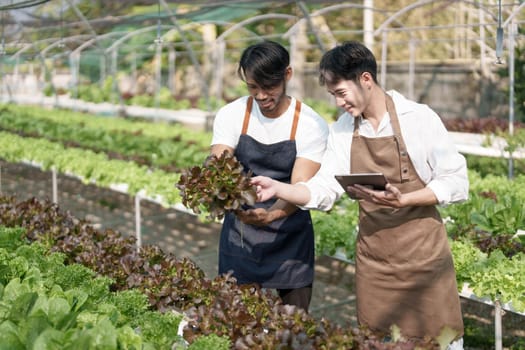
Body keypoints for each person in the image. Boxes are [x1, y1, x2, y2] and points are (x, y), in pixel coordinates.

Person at [251, 41, 468, 348]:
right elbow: (324, 188)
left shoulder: (417, 118)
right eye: (333, 95)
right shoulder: (342, 130)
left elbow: (457, 180)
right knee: (377, 340)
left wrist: (406, 199)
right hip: (375, 262)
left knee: (441, 340)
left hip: (424, 259)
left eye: (340, 92)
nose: (338, 102)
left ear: (366, 80)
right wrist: (278, 188)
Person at [210, 40, 329, 312]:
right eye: (253, 87)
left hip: (289, 234)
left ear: (287, 75)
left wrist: (272, 215)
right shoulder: (232, 114)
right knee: (235, 318)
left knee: (294, 324)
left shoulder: (311, 124)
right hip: (240, 233)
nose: (261, 95)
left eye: (269, 87)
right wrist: (216, 186)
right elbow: (219, 164)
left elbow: (300, 185)